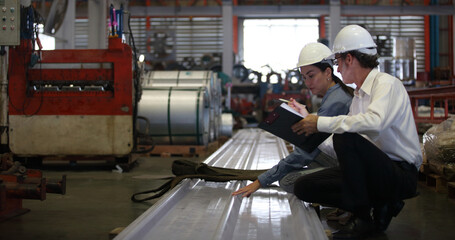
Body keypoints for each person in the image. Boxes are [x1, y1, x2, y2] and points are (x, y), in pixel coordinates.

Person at [292, 25, 422, 239]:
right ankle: (381, 204)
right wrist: (305, 121)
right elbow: (338, 147)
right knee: (304, 186)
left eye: (337, 62)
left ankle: (363, 220)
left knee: (346, 136)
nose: (338, 69)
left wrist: (321, 122)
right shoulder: (360, 95)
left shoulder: (387, 85)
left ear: (349, 59)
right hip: (371, 172)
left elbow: (374, 123)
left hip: (399, 173)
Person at [232, 42, 354, 198]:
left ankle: (348, 200)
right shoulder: (336, 95)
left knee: (288, 181)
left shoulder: (335, 101)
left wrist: (261, 181)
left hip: (347, 166)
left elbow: (306, 153)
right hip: (344, 159)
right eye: (304, 77)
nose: (308, 82)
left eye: (311, 76)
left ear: (328, 72)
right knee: (303, 165)